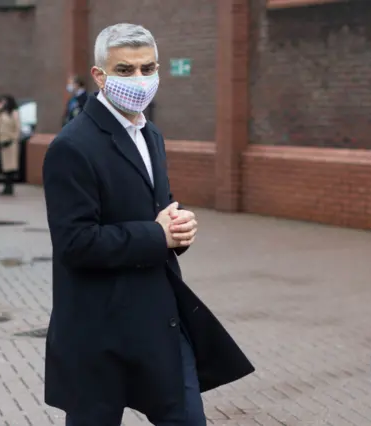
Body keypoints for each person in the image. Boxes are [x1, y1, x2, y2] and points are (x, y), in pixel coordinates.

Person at [42, 23, 255, 426]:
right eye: (125, 70)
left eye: (148, 68)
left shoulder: (151, 134)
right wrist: (158, 234)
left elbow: (155, 215)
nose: (139, 80)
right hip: (98, 331)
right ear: (99, 75)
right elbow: (74, 243)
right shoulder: (71, 147)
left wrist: (177, 232)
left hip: (158, 321)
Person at [0, 95, 20, 195]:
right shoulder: (2, 114)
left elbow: (17, 128)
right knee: (4, 166)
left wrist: (13, 139)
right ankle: (6, 187)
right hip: (1, 141)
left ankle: (9, 187)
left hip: (10, 143)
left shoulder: (14, 113)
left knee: (10, 166)